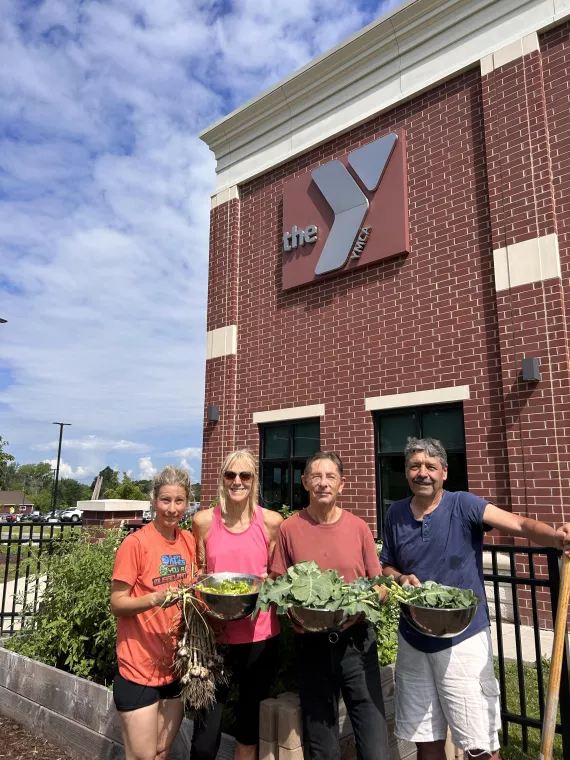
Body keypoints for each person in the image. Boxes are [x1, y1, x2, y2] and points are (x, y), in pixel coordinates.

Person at [380, 437, 570, 760]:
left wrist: (556, 537)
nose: (422, 472)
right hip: (413, 641)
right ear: (406, 472)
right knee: (425, 741)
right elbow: (386, 564)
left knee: (479, 743)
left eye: (430, 466)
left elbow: (520, 524)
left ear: (444, 472)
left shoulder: (464, 505)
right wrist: (399, 577)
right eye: (414, 466)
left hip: (463, 640)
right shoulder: (396, 513)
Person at [271, 450, 389, 760]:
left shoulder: (358, 527)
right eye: (317, 477)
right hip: (311, 646)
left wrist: (369, 598)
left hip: (358, 646)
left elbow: (379, 585)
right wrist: (292, 609)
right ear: (305, 482)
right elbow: (277, 583)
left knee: (375, 744)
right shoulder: (289, 528)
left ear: (342, 484)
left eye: (331, 477)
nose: (323, 483)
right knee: (322, 747)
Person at [190, 449, 282, 760]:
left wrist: (267, 580)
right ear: (222, 480)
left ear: (255, 480)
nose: (237, 481)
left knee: (247, 725)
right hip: (215, 639)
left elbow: (277, 573)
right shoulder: (203, 521)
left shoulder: (270, 522)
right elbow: (199, 573)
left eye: (245, 475)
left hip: (260, 636)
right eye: (231, 475)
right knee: (205, 728)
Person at [111, 466, 196, 760]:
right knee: (143, 756)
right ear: (153, 501)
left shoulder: (188, 541)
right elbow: (117, 603)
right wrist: (155, 598)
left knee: (162, 751)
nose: (172, 509)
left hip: (175, 666)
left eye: (179, 501)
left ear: (187, 502)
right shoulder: (135, 543)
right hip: (138, 668)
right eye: (165, 500)